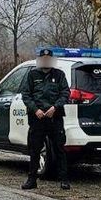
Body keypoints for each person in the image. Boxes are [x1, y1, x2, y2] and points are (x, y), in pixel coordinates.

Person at [20, 47, 70, 191]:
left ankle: (64, 180)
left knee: (59, 149)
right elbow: (26, 94)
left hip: (55, 118)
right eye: (44, 59)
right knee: (35, 150)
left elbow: (65, 93)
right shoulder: (32, 75)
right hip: (37, 118)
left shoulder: (59, 75)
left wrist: (55, 107)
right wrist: (36, 110)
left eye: (49, 59)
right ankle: (32, 179)